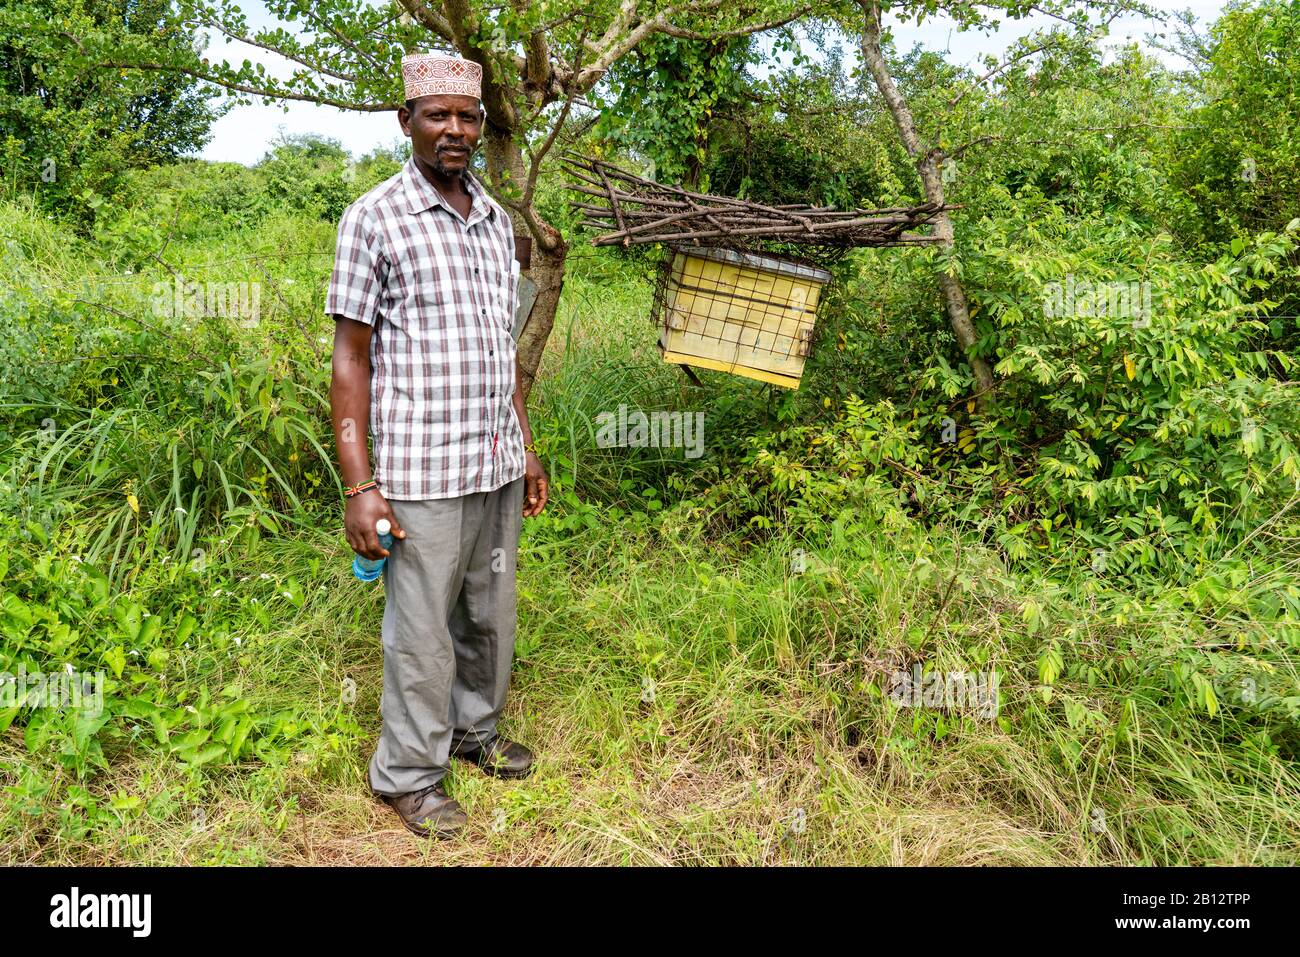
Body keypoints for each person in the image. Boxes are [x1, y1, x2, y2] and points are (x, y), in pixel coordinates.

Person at [326, 51, 549, 838]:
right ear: (406, 122)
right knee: (420, 630)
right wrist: (361, 486)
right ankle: (409, 775)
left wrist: (523, 443)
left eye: (467, 116)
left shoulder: (495, 222)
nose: (454, 129)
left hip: (492, 456)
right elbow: (351, 359)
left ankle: (473, 731)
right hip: (420, 465)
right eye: (437, 115)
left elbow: (504, 347)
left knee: (489, 611)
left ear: (481, 125)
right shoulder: (375, 217)